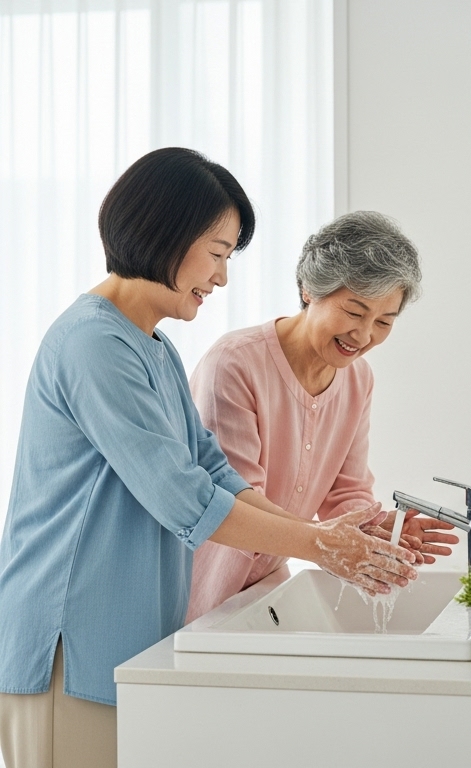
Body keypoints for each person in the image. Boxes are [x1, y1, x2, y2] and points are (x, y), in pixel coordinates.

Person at [0, 148, 419, 768]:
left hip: (125, 641)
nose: (222, 277)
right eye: (219, 252)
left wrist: (326, 535)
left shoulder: (154, 349)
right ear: (164, 233)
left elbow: (217, 475)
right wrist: (323, 546)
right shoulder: (95, 345)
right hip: (72, 639)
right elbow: (184, 499)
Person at [185, 211, 459, 622]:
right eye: (354, 312)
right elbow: (237, 500)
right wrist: (329, 547)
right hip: (199, 587)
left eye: (384, 321)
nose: (365, 336)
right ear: (310, 289)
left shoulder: (357, 379)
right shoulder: (235, 363)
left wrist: (379, 531)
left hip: (265, 589)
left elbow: (344, 492)